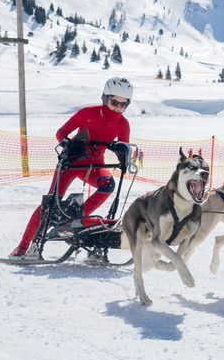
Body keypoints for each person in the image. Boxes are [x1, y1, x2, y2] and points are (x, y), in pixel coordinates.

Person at [8, 77, 133, 258]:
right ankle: (23, 246)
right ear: (105, 98)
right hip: (70, 164)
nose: (118, 108)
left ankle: (74, 221)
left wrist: (123, 153)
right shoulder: (87, 113)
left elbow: (124, 146)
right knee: (49, 204)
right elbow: (61, 133)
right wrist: (69, 144)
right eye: (114, 102)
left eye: (124, 104)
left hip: (95, 166)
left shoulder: (123, 124)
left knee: (108, 185)